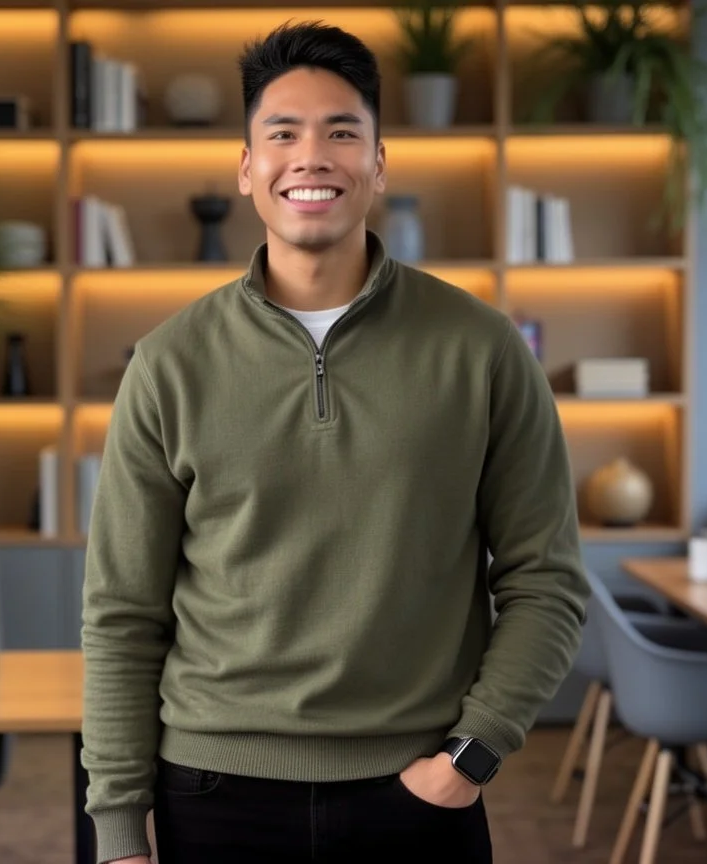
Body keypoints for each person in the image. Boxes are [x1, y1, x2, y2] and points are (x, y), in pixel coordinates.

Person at [80, 19, 589, 864]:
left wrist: (474, 755)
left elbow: (548, 579)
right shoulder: (168, 364)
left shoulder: (482, 349)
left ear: (379, 164)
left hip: (420, 789)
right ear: (247, 170)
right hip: (212, 786)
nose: (311, 156)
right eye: (282, 133)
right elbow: (122, 616)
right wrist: (120, 829)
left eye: (342, 132)